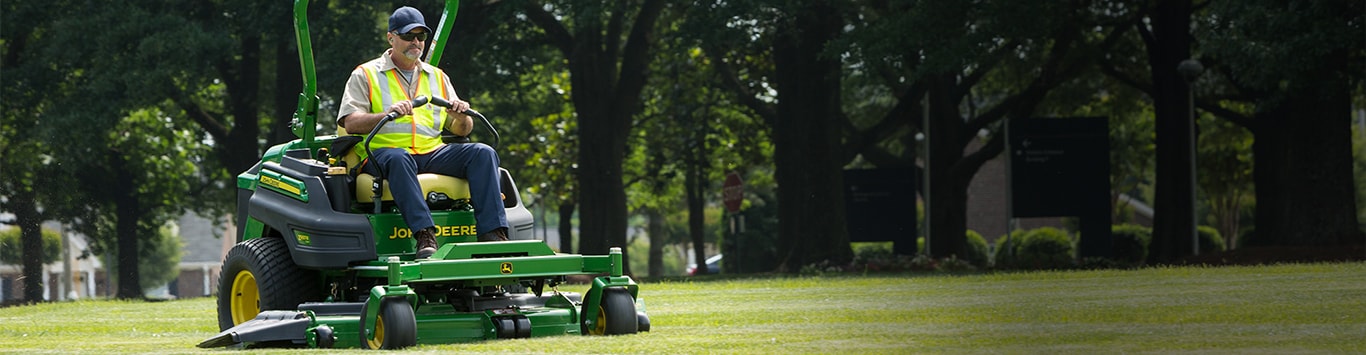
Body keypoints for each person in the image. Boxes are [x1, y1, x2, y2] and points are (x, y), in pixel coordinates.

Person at [337, 6, 507, 259]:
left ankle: (492, 234)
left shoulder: (437, 77)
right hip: (381, 156)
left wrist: (461, 116)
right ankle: (425, 235)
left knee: (482, 153)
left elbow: (462, 130)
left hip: (431, 152)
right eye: (408, 36)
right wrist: (387, 114)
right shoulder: (366, 74)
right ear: (391, 37)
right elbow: (350, 122)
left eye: (421, 37)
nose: (415, 42)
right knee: (399, 158)